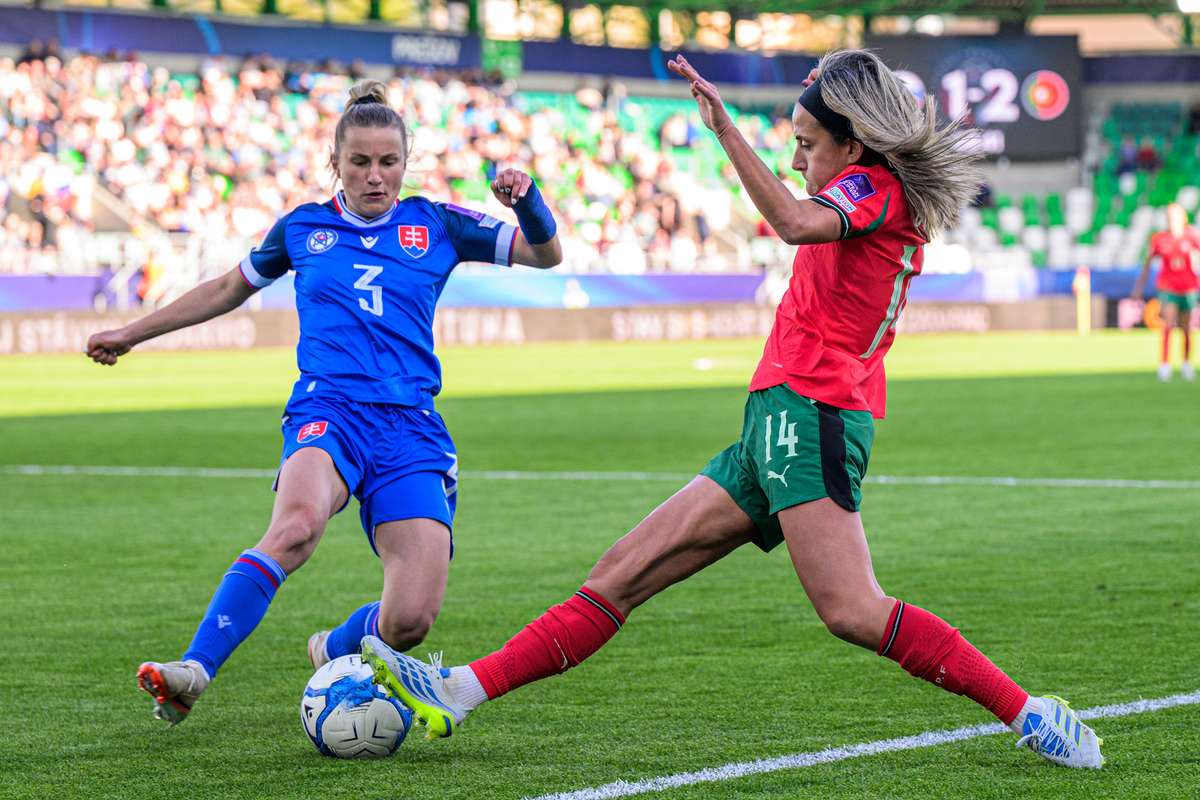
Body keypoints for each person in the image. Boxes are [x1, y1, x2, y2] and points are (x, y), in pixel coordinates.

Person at [359, 50, 1105, 770]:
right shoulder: (859, 182)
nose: (796, 161)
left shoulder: (872, 189)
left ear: (853, 142)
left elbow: (793, 221)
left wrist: (723, 126)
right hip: (776, 422)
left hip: (810, 415)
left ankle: (1031, 714)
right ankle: (460, 691)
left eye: (808, 146)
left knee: (851, 609)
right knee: (620, 572)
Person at [85, 79, 563, 724]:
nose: (375, 176)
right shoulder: (303, 228)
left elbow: (545, 253)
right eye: (360, 162)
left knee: (412, 620)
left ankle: (336, 644)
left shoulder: (438, 223)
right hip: (327, 410)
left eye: (388, 162)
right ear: (334, 161)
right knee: (297, 526)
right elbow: (228, 288)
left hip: (411, 428)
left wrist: (528, 202)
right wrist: (131, 333)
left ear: (405, 162)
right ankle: (193, 670)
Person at [1131, 202, 1200, 381]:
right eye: (1169, 217)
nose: (1172, 220)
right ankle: (1165, 364)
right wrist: (1138, 287)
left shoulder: (1191, 236)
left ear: (1182, 218)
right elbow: (1147, 264)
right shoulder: (1159, 239)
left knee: (1186, 328)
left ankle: (1186, 363)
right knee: (1168, 323)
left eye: (1175, 216)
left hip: (1189, 287)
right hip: (1168, 286)